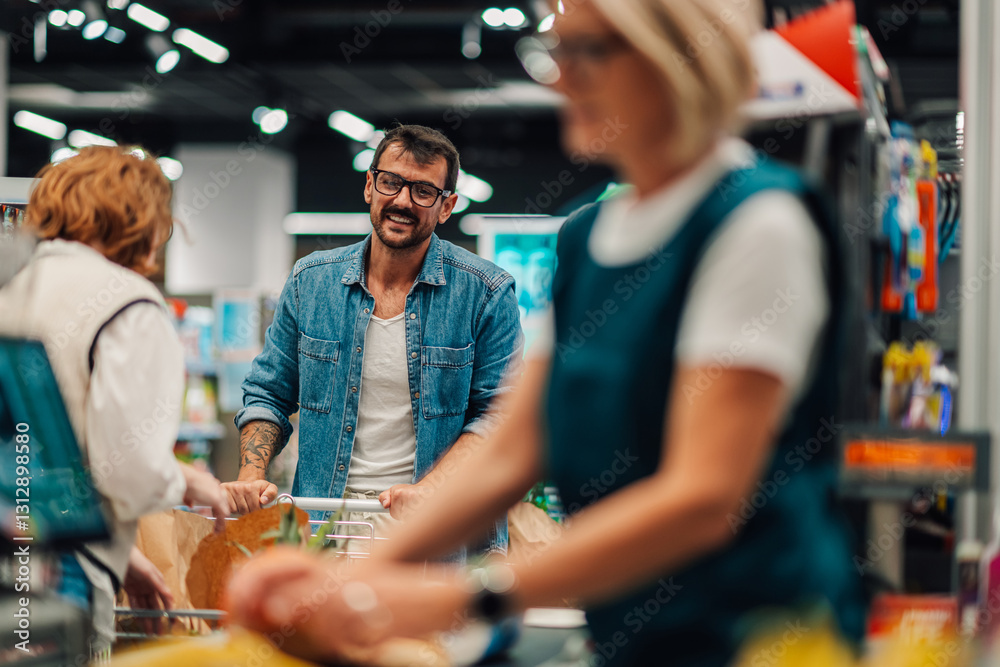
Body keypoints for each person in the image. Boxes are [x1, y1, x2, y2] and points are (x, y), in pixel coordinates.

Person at [227, 1, 869, 665]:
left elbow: (702, 498)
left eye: (585, 52)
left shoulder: (756, 222)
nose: (558, 78)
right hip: (632, 631)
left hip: (760, 635)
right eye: (553, 52)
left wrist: (462, 597)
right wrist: (348, 576)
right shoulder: (590, 236)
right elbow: (517, 445)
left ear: (668, 60)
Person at [222, 124, 523, 556]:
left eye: (423, 191)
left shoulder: (486, 293)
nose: (402, 200)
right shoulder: (313, 282)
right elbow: (269, 392)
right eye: (391, 182)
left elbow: (499, 417)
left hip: (437, 540)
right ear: (369, 185)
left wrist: (431, 489)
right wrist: (251, 474)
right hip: (321, 534)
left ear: (447, 206)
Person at [0, 146, 229, 654]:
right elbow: (124, 470)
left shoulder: (11, 282)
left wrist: (125, 557)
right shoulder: (129, 305)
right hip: (61, 572)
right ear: (140, 220)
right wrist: (187, 479)